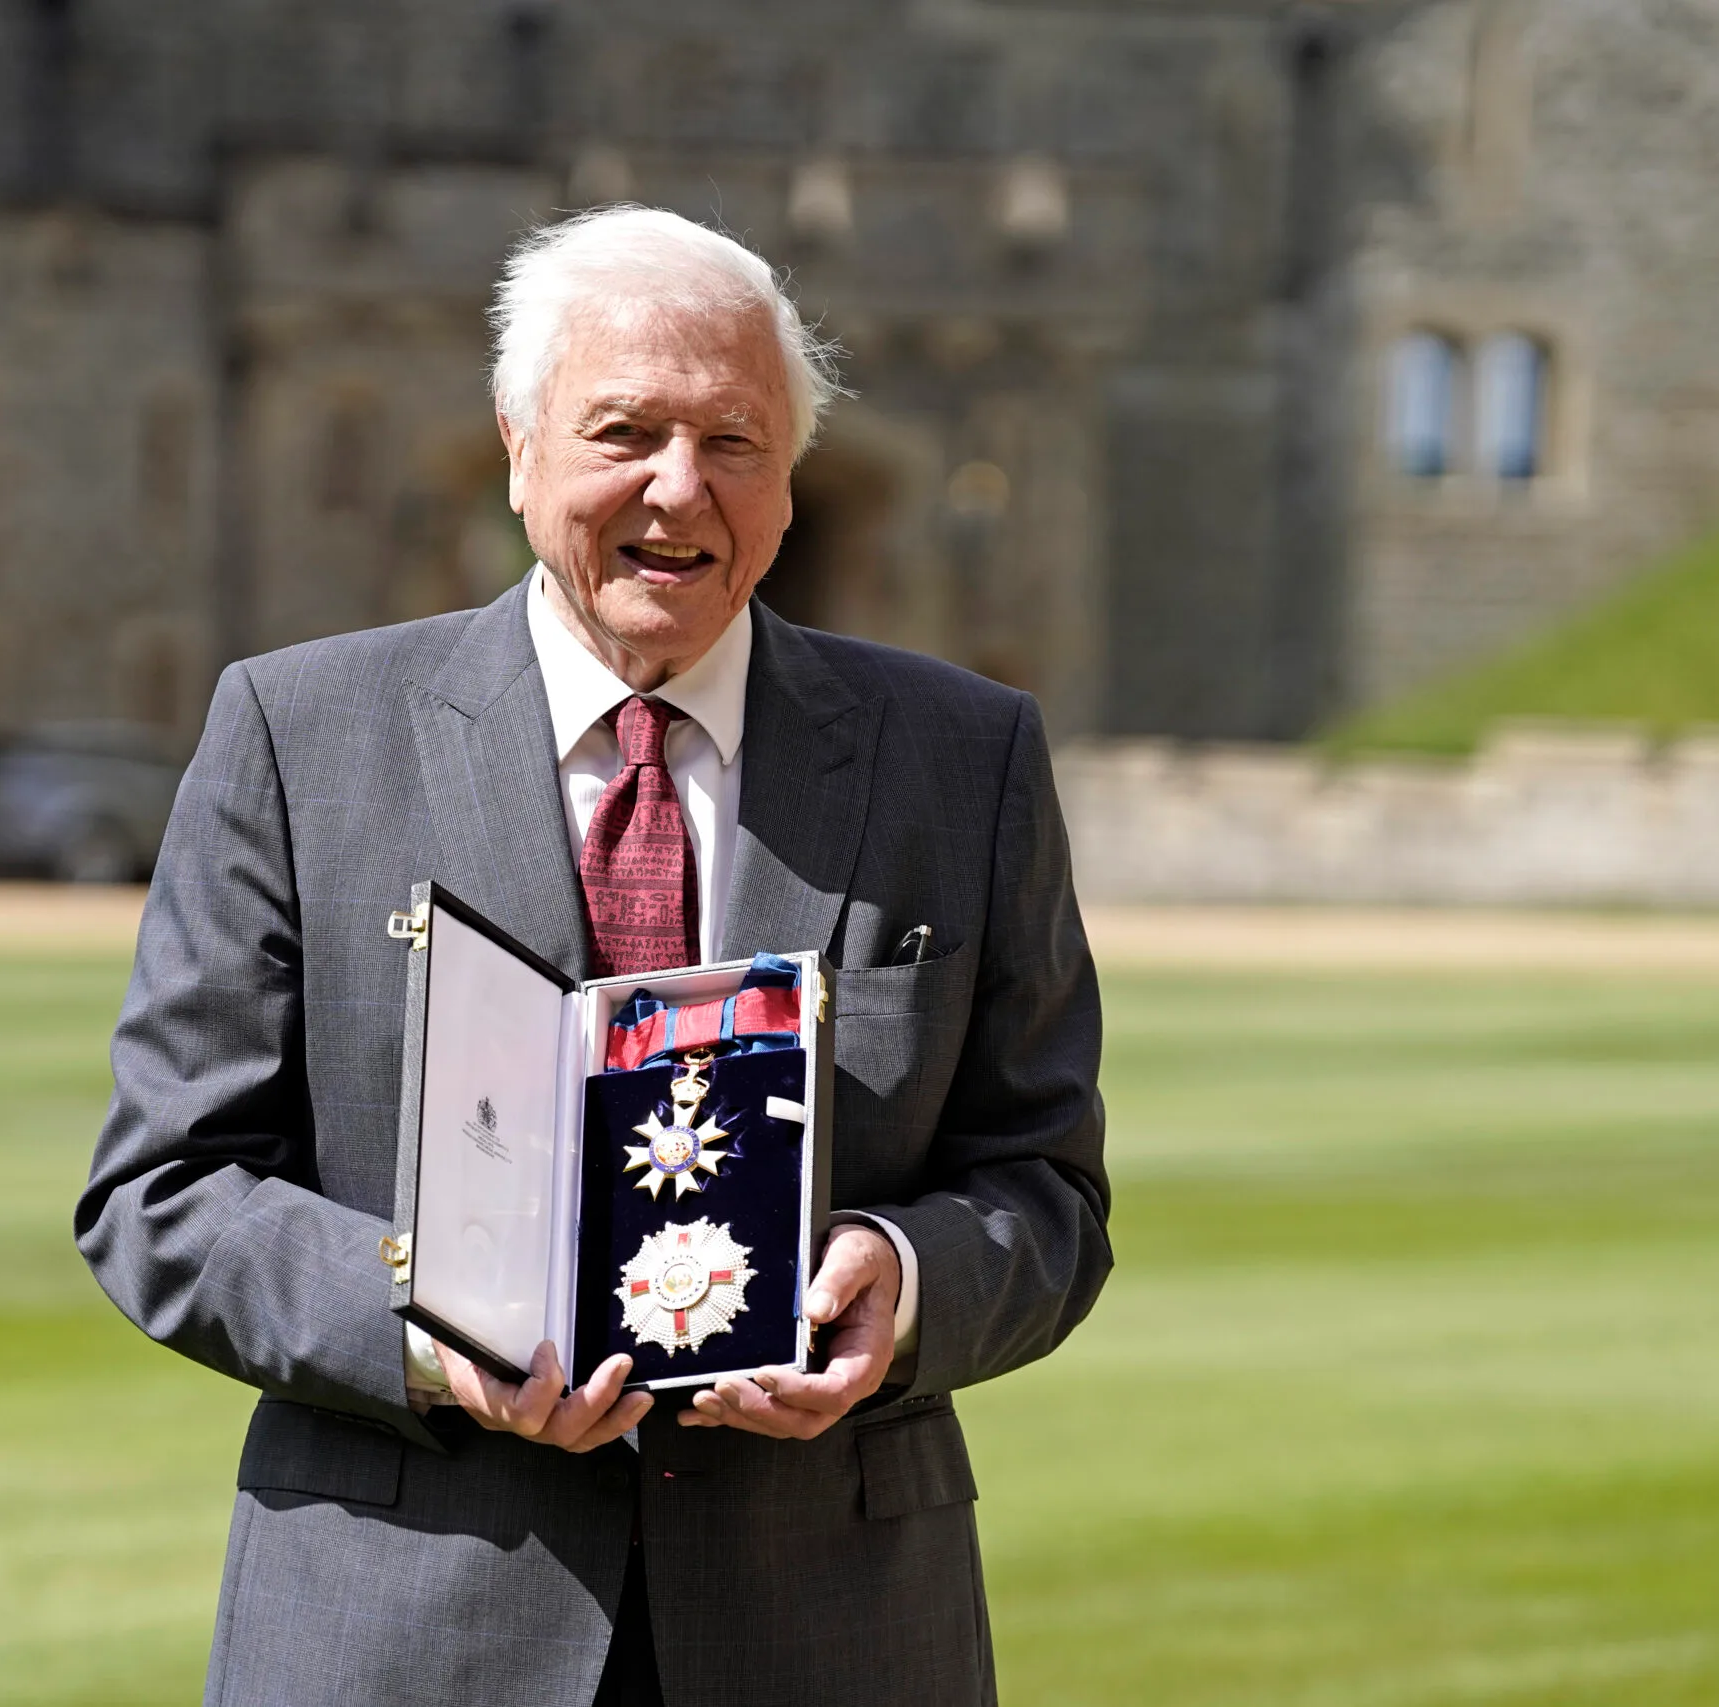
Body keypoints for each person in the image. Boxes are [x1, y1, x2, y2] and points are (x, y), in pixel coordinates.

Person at [77, 205, 1109, 1707]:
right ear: (518, 447)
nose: (679, 489)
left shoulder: (967, 757)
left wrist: (903, 1280)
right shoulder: (299, 737)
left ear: (792, 477)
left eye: (735, 441)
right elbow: (163, 1191)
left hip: (830, 1632)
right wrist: (427, 1333)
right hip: (402, 1634)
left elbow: (1049, 1191)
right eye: (624, 431)